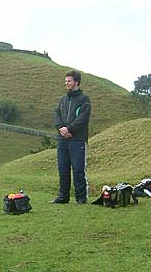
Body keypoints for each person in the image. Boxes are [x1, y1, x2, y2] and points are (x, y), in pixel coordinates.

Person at [50, 70, 91, 205]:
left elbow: (83, 118)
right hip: (62, 140)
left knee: (78, 169)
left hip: (77, 139)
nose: (66, 83)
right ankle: (63, 197)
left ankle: (81, 198)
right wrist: (61, 129)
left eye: (69, 81)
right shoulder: (62, 100)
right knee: (63, 169)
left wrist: (69, 129)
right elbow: (57, 116)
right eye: (65, 81)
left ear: (76, 82)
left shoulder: (84, 99)